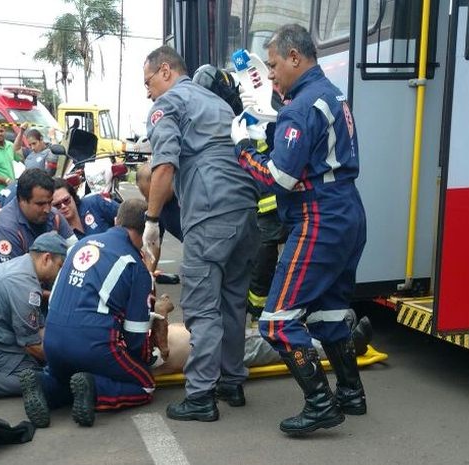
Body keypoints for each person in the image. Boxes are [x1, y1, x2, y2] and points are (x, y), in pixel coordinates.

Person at [231, 24, 368, 435]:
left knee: (276, 321)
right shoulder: (330, 93)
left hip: (319, 216)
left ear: (294, 58)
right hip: (347, 211)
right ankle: (351, 393)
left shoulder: (302, 106)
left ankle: (321, 404)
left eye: (272, 65)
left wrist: (243, 148)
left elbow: (278, 179)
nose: (269, 74)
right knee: (327, 313)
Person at [142, 45, 259, 422]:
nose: (148, 93)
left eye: (148, 83)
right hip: (246, 209)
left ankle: (201, 395)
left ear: (165, 70)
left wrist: (152, 220)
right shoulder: (218, 103)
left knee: (203, 307)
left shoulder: (170, 105)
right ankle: (231, 382)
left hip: (210, 214)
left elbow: (163, 167)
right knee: (233, 301)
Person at [18, 199, 161, 428]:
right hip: (93, 342)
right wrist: (145, 357)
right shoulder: (135, 264)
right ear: (146, 233)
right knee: (144, 384)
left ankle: (43, 384)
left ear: (116, 221)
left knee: (64, 377)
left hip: (52, 340)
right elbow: (135, 336)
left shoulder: (79, 244)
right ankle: (95, 389)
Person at [192, 64, 289, 324]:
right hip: (241, 200)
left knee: (263, 257)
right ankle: (251, 312)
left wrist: (257, 115)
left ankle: (258, 314)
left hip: (267, 198)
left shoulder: (258, 99)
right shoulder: (220, 110)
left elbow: (277, 135)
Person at [0, 232, 67, 400]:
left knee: (45, 361)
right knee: (36, 378)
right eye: (60, 266)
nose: (61, 274)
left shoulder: (24, 264)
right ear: (46, 258)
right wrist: (66, 362)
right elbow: (31, 345)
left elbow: (38, 328)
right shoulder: (23, 284)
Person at [152, 314, 374, 377]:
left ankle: (335, 333)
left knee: (265, 334)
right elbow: (161, 354)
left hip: (212, 340)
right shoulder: (136, 355)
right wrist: (161, 314)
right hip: (213, 352)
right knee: (276, 344)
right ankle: (346, 346)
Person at [0, 168, 75, 273]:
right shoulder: (4, 227)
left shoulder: (54, 215)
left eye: (50, 202)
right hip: (4, 285)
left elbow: (75, 251)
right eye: (40, 204)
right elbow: (13, 281)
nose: (47, 209)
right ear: (22, 200)